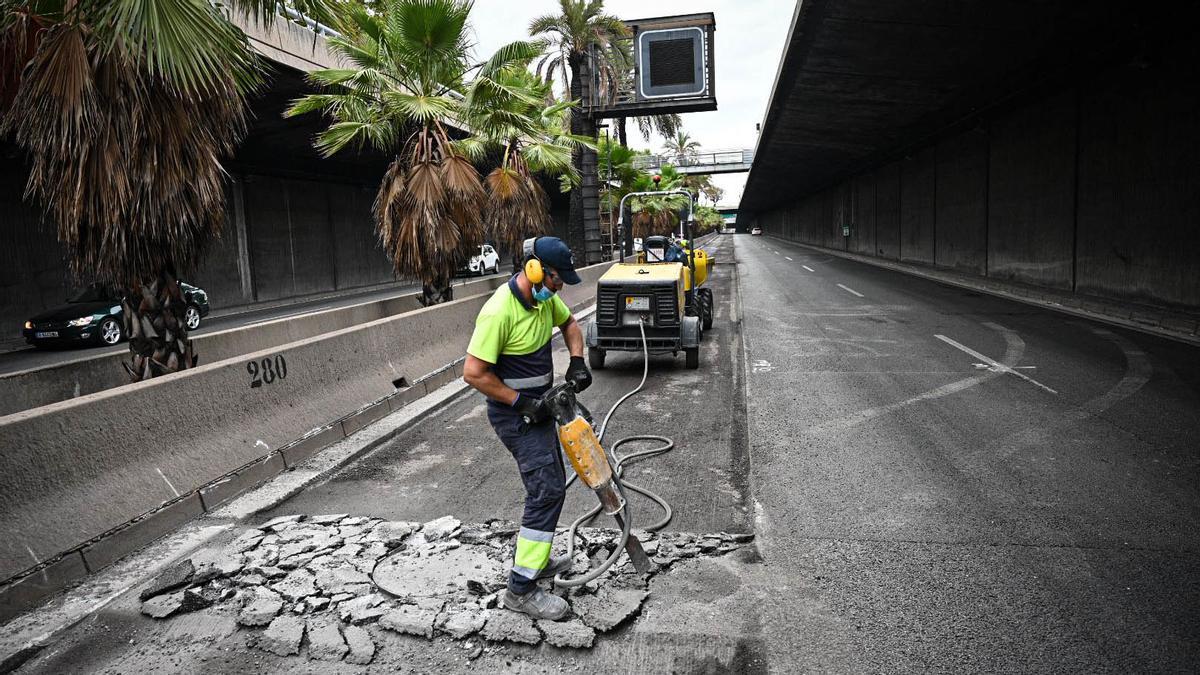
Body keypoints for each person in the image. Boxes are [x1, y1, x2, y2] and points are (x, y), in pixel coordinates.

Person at [462, 236, 593, 620]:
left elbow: (570, 324)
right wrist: (522, 403)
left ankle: (534, 561)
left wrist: (577, 360)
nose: (561, 286)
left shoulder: (546, 300)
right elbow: (473, 374)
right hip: (515, 416)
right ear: (535, 270)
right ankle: (520, 590)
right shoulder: (498, 312)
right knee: (547, 490)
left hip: (541, 411)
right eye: (557, 278)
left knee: (549, 486)